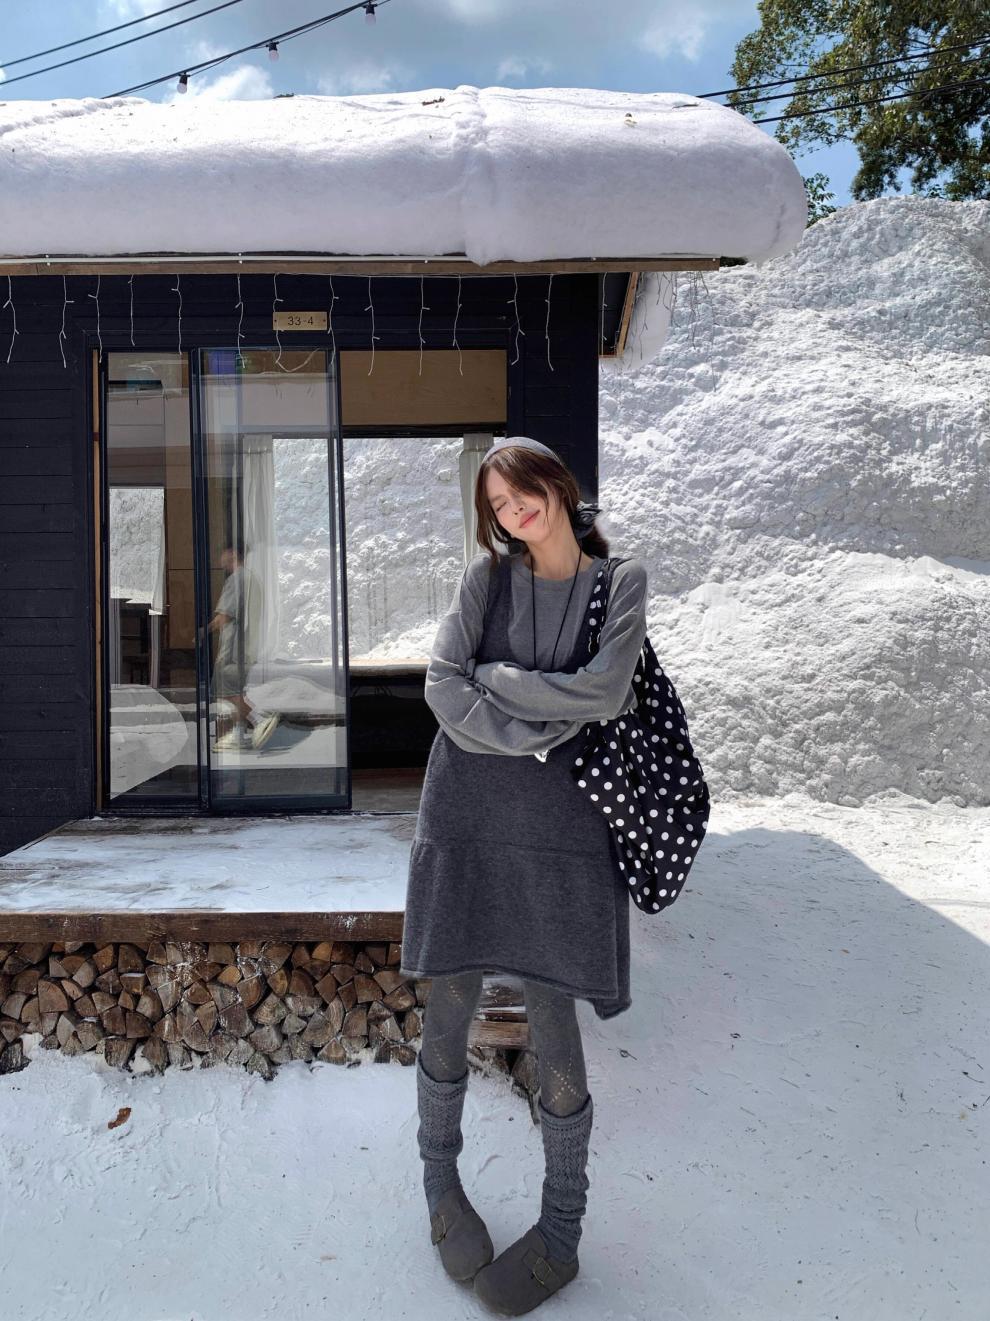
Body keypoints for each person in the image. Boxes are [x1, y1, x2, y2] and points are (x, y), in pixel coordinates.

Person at [400, 436, 648, 1314]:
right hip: (465, 816)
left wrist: (499, 681)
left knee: (553, 1014)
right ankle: (440, 1187)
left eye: (522, 493)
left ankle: (562, 1231)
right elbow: (442, 685)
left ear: (558, 485)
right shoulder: (486, 579)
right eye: (498, 505)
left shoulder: (620, 583)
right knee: (449, 1000)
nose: (512, 513)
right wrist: (535, 728)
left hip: (562, 833)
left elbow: (607, 692)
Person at [208, 542, 274, 752]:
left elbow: (225, 616)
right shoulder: (253, 579)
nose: (220, 558)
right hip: (248, 647)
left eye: (223, 553)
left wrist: (203, 631)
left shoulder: (236, 579)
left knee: (225, 691)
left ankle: (260, 718)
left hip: (233, 650)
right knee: (236, 692)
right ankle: (239, 734)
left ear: (233, 553)